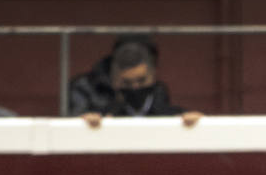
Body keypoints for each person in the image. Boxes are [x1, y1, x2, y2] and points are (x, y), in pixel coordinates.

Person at [67, 35, 200, 128]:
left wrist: (190, 119)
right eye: (127, 83)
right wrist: (85, 123)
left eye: (141, 81)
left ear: (153, 74)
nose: (135, 88)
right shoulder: (96, 103)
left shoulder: (159, 96)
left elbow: (168, 114)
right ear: (114, 80)